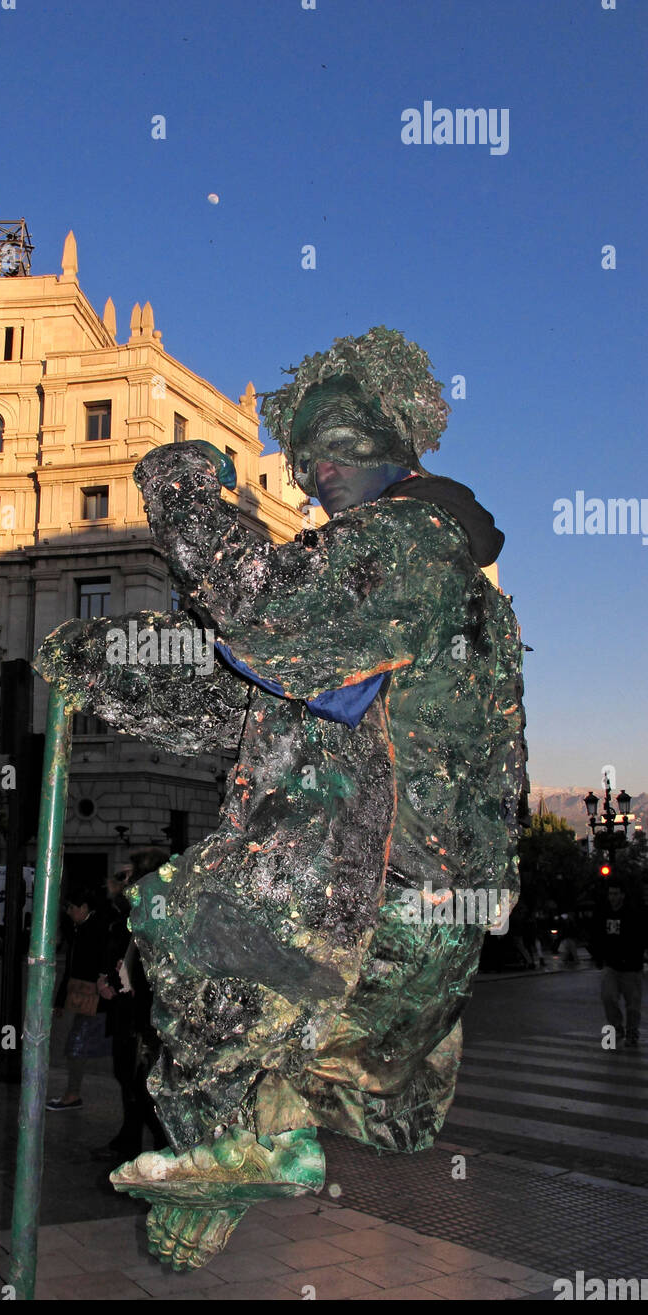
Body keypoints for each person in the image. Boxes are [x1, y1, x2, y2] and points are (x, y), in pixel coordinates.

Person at [36, 326, 527, 1267]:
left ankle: (242, 1140)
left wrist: (180, 487)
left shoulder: (410, 545)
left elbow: (268, 625)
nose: (312, 477)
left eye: (336, 451)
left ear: (395, 444)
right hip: (397, 943)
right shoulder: (392, 582)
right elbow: (256, 691)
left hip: (370, 900)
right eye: (302, 461)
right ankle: (256, 1142)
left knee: (189, 923)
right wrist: (105, 659)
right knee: (247, 1019)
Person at [91, 850, 169, 1161]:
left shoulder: (153, 907)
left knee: (139, 1082)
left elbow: (145, 948)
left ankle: (163, 1143)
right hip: (135, 1009)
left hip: (142, 1014)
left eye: (130, 875)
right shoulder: (143, 908)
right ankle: (131, 1138)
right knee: (130, 1079)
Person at [46, 888, 115, 1111]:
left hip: (93, 998)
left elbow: (80, 965)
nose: (68, 912)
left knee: (76, 1045)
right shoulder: (83, 929)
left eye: (71, 908)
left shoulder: (92, 930)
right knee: (79, 1044)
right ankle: (71, 1093)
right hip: (88, 996)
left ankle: (72, 1094)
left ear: (84, 908)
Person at [590, 880, 646, 1048]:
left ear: (622, 895)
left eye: (615, 894)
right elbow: (597, 935)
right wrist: (599, 956)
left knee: (633, 1004)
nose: (612, 898)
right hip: (612, 965)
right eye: (610, 894)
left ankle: (632, 1031)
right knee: (608, 997)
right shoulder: (604, 913)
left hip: (631, 966)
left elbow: (641, 935)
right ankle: (617, 1027)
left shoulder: (632, 914)